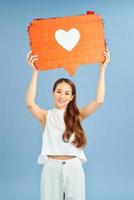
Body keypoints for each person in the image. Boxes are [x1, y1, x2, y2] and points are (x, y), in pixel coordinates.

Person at [25, 48, 110, 200]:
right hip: (51, 168)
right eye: (58, 91)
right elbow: (30, 104)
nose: (62, 96)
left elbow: (99, 100)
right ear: (53, 93)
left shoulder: (77, 116)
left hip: (74, 168)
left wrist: (102, 69)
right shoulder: (46, 116)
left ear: (72, 97)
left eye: (66, 93)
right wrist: (35, 72)